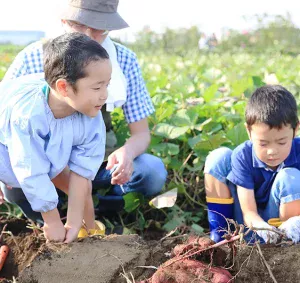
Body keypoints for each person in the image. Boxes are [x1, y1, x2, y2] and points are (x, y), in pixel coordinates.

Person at [2, 0, 167, 219]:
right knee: (16, 176)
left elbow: (141, 133)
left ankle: (105, 215)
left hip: (96, 159)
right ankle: (50, 218)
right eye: (79, 26)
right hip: (40, 159)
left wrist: (127, 153)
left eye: (99, 29)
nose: (89, 36)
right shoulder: (33, 57)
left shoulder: (123, 60)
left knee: (151, 171)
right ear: (64, 21)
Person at [0, 32, 112, 243]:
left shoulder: (90, 115)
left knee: (80, 185)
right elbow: (31, 170)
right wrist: (52, 221)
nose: (104, 95)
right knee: (36, 179)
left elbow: (82, 171)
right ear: (64, 87)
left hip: (46, 153)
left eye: (107, 85)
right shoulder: (28, 116)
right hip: (7, 149)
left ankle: (91, 233)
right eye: (97, 87)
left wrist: (73, 221)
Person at [204, 85, 300, 244]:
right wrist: (263, 229)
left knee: (290, 177)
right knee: (217, 158)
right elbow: (248, 212)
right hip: (247, 227)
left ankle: (289, 243)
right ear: (248, 131)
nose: (272, 151)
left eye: (282, 142)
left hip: (281, 227)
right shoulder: (243, 156)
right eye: (263, 143)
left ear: (295, 129)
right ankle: (220, 241)